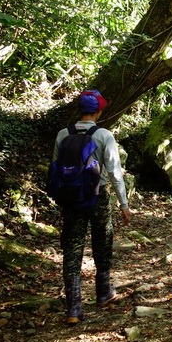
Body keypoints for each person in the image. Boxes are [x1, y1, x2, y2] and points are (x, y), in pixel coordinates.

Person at [53, 89, 132, 325]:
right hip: (98, 197)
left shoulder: (62, 134)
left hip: (71, 199)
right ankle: (103, 292)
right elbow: (115, 173)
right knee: (102, 241)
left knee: (73, 248)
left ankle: (73, 308)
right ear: (98, 111)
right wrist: (124, 205)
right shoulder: (104, 135)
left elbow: (56, 169)